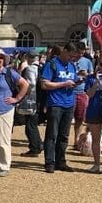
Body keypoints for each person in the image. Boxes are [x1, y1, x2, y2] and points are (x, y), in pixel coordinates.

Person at [40, 41, 79, 173]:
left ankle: (60, 161)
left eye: (74, 57)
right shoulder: (52, 64)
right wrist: (63, 84)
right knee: (52, 135)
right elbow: (44, 84)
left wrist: (77, 82)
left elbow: (72, 81)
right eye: (71, 56)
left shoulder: (72, 66)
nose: (72, 59)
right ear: (65, 51)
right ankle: (49, 162)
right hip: (55, 103)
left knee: (64, 135)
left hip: (69, 103)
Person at [15, 52, 42, 157]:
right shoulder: (40, 68)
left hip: (30, 100)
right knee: (32, 124)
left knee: (30, 125)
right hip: (38, 100)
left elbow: (29, 85)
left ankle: (35, 147)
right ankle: (38, 144)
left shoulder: (29, 69)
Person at [71, 42, 95, 148]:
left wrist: (87, 75)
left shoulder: (87, 61)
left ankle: (76, 140)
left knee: (80, 118)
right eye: (78, 52)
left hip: (82, 92)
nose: (80, 55)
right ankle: (64, 139)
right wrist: (77, 75)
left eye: (82, 52)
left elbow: (92, 75)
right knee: (67, 118)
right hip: (70, 92)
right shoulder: (70, 61)